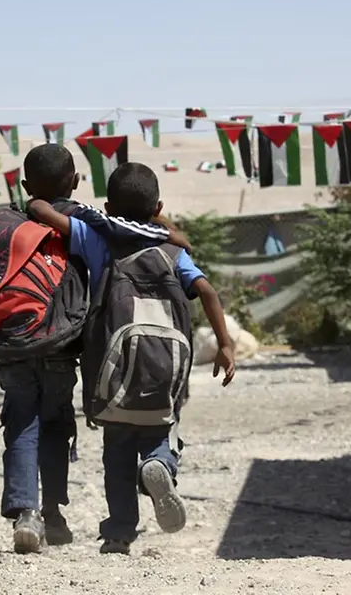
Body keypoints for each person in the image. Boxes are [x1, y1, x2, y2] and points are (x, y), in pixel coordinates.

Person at [25, 162, 236, 555]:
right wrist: (225, 344)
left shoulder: (98, 239)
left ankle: (119, 533)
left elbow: (44, 213)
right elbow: (206, 291)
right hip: (164, 372)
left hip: (111, 367)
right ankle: (159, 464)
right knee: (160, 431)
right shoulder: (173, 250)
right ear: (158, 206)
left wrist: (34, 199)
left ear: (108, 205)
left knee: (117, 452)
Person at [0, 144, 191, 554]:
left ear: (28, 185)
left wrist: (32, 204)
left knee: (23, 425)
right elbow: (187, 264)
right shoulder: (108, 230)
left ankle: (35, 516)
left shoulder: (25, 222)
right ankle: (55, 511)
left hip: (18, 342)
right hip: (69, 345)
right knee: (55, 425)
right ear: (76, 181)